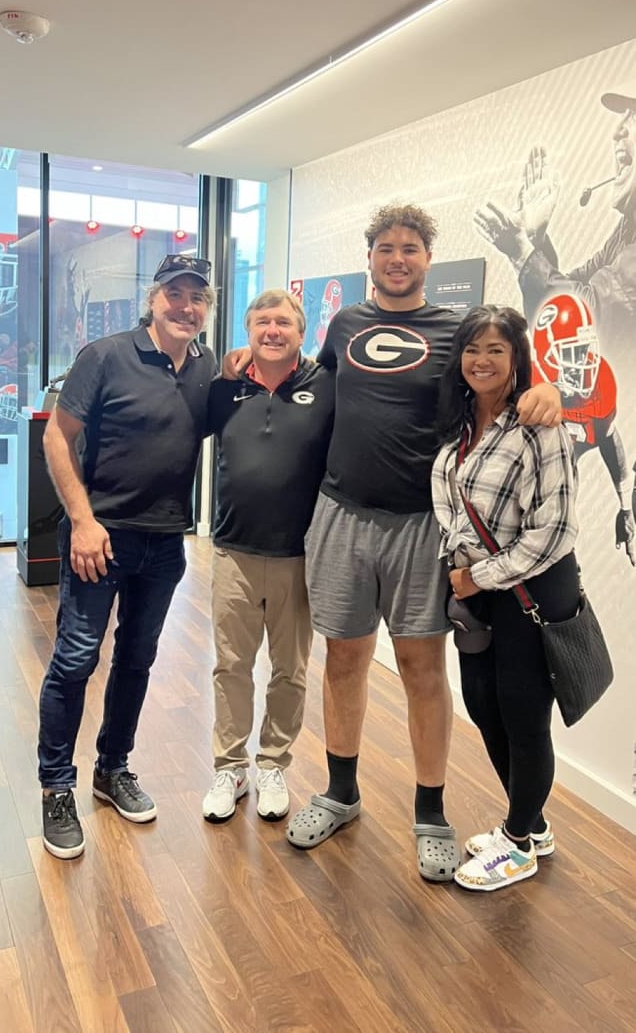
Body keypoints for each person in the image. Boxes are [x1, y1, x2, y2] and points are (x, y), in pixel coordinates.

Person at [283, 203, 561, 881]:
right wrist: (248, 359)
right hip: (342, 515)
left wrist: (547, 385)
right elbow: (310, 384)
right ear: (370, 258)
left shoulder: (453, 329)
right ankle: (340, 791)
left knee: (421, 669)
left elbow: (504, 370)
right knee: (343, 661)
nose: (397, 258)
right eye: (385, 247)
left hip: (422, 526)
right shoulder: (345, 323)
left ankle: (431, 810)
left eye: (410, 248)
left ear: (428, 259)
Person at [38, 253, 217, 859]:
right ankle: (56, 787)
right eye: (175, 294)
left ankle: (112, 768)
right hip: (100, 539)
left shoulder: (207, 366)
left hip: (165, 542)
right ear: (153, 298)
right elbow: (56, 437)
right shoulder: (105, 355)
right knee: (75, 660)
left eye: (197, 296)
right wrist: (83, 522)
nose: (185, 306)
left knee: (138, 658)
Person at [431, 305, 579, 891]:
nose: (482, 360)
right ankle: (533, 824)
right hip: (480, 591)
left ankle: (516, 844)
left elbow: (556, 531)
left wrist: (479, 576)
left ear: (517, 356)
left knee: (523, 718)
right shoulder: (460, 422)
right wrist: (463, 571)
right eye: (473, 348)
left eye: (496, 349)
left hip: (531, 590)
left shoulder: (543, 427)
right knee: (484, 706)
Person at [203, 289, 335, 823]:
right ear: (248, 332)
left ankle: (273, 762)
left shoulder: (327, 387)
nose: (272, 331)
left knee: (291, 669)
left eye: (283, 322)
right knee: (231, 665)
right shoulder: (225, 388)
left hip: (299, 555)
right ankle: (230, 766)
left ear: (302, 333)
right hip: (233, 551)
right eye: (262, 323)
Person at [473, 85, 636, 352]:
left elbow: (590, 317)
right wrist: (532, 241)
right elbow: (574, 289)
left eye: (634, 115)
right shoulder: (628, 227)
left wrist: (521, 252)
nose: (617, 131)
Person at [531, 292, 636, 565]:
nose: (582, 363)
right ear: (545, 354)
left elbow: (610, 441)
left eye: (583, 350)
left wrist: (626, 510)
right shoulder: (526, 384)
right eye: (571, 353)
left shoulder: (601, 381)